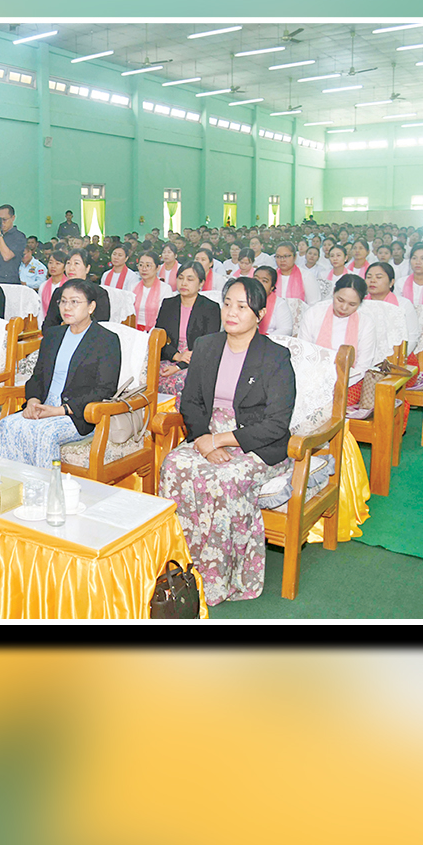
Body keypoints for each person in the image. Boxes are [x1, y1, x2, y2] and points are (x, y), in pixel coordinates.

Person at [157, 276, 297, 608]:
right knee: (173, 465)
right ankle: (179, 568)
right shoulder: (207, 346)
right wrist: (204, 440)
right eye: (228, 304)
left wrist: (220, 440)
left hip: (256, 440)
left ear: (260, 314)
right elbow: (190, 402)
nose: (231, 312)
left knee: (226, 478)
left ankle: (219, 579)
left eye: (242, 307)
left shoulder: (275, 356)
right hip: (208, 433)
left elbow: (276, 423)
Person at [0, 278, 120, 468]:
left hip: (78, 414)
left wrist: (62, 410)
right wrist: (33, 401)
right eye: (63, 301)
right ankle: (13, 483)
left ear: (91, 307)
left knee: (45, 433)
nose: (67, 307)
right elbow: (38, 376)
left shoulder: (106, 340)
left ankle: (46, 486)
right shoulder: (53, 336)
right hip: (44, 406)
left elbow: (105, 389)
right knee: (7, 425)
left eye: (75, 302)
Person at [298, 274, 394, 413]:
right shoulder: (314, 313)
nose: (343, 307)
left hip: (350, 380)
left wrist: (338, 384)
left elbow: (362, 366)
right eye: (340, 300)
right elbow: (304, 352)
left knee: (332, 403)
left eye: (352, 304)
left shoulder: (366, 323)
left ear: (361, 303)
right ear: (333, 292)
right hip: (314, 377)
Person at [154, 259, 221, 397]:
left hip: (197, 359)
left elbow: (208, 346)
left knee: (182, 382)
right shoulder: (168, 304)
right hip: (170, 354)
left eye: (190, 279)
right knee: (149, 376)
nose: (184, 283)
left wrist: (179, 366)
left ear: (201, 283)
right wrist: (177, 356)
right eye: (180, 278)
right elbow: (159, 338)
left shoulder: (211, 308)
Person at [0, 204, 27, 286]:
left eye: (4, 220)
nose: (1, 223)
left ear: (13, 218)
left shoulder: (19, 236)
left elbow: (7, 256)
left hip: (10, 281)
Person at [130, 250, 171, 332]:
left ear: (157, 268)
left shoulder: (165, 289)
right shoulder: (133, 287)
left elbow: (167, 315)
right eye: (141, 265)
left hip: (156, 331)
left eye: (148, 265)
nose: (144, 269)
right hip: (134, 330)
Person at [37, 247, 68, 319]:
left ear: (65, 267)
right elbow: (40, 310)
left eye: (58, 263)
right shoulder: (43, 286)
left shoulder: (68, 286)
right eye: (50, 263)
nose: (53, 266)